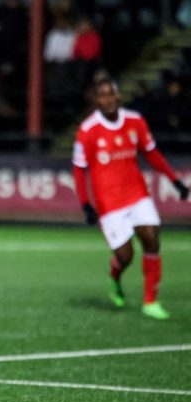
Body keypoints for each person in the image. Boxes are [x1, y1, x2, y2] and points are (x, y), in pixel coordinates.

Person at [72, 78, 190, 320]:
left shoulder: (135, 121)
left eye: (111, 94)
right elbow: (78, 169)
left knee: (151, 237)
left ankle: (150, 301)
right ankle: (115, 276)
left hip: (137, 194)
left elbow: (152, 153)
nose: (108, 99)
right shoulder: (87, 130)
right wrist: (86, 203)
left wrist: (174, 180)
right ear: (96, 100)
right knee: (125, 255)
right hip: (109, 202)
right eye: (102, 95)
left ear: (118, 96)